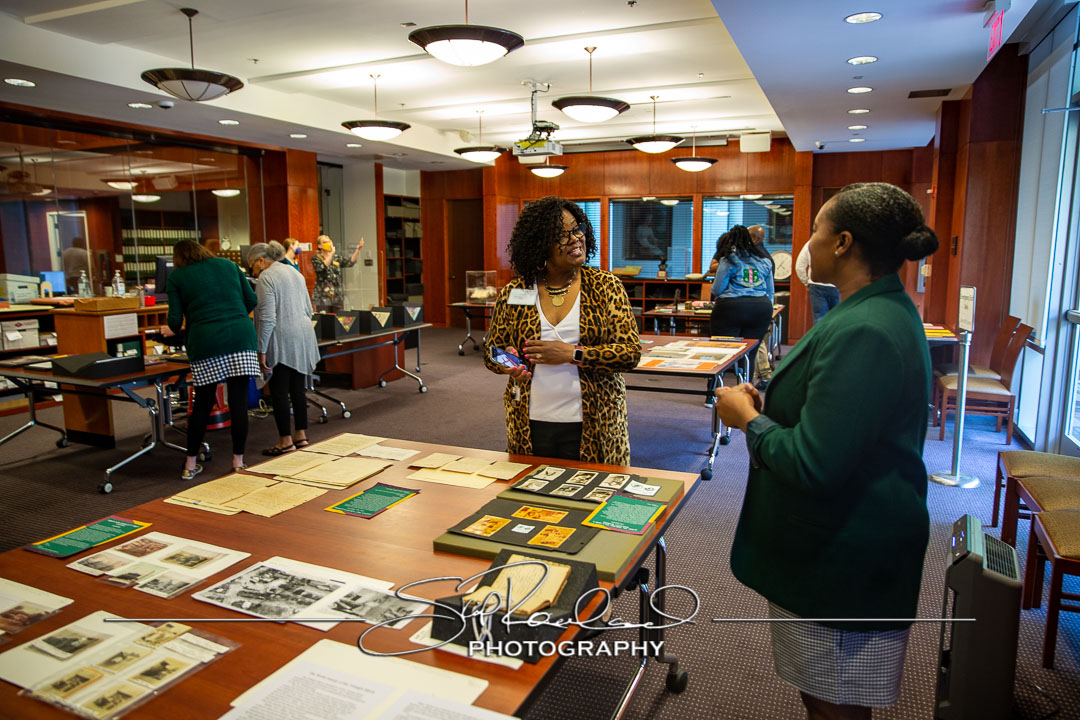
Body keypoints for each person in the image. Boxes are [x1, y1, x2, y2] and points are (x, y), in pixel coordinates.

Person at [714, 182, 939, 720]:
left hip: (842, 553)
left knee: (834, 704)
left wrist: (749, 421)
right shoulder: (874, 309)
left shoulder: (866, 328)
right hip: (839, 544)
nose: (806, 244)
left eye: (815, 230)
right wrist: (774, 406)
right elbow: (844, 418)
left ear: (842, 243)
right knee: (828, 696)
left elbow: (815, 464)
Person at [483, 196, 641, 464]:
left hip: (595, 421)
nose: (575, 239)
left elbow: (630, 353)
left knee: (594, 488)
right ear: (539, 243)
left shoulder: (605, 286)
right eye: (561, 235)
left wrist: (573, 354)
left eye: (577, 229)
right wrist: (510, 362)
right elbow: (492, 351)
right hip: (529, 420)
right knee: (532, 487)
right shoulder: (516, 291)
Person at [165, 240, 258, 479]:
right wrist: (233, 312)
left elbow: (174, 321)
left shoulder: (177, 277)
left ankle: (190, 464)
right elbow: (252, 300)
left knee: (203, 404)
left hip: (206, 341)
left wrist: (187, 322)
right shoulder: (229, 265)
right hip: (240, 336)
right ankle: (238, 461)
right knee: (238, 402)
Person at [247, 241, 321, 455]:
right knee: (298, 389)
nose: (253, 272)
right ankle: (301, 436)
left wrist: (261, 350)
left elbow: (267, 317)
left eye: (252, 266)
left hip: (281, 338)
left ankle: (285, 441)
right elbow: (307, 308)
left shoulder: (266, 277)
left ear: (261, 260)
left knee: (279, 391)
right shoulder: (295, 273)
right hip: (303, 335)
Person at [708, 225, 775, 381]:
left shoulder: (728, 261)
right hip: (760, 308)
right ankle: (746, 387)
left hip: (731, 308)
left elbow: (717, 289)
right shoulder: (765, 261)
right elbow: (770, 291)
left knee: (722, 351)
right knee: (750, 353)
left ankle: (715, 390)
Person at [311, 234, 363, 312]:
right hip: (323, 297)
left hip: (337, 296)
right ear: (319, 246)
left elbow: (350, 262)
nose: (327, 244)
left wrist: (358, 250)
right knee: (325, 318)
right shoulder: (316, 259)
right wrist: (331, 254)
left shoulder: (336, 258)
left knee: (338, 318)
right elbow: (322, 267)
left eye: (328, 241)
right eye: (324, 242)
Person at [796, 241, 840, 323]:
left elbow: (799, 267)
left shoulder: (810, 244)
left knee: (819, 319)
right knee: (838, 318)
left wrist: (806, 282)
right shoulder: (839, 243)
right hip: (836, 286)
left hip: (816, 286)